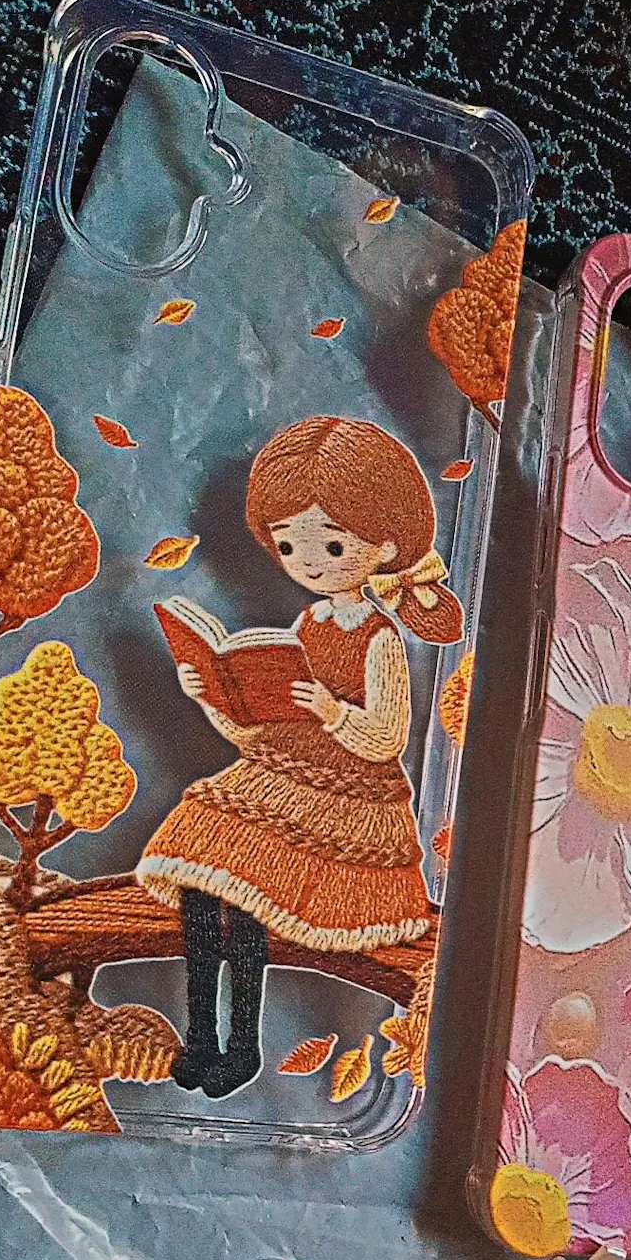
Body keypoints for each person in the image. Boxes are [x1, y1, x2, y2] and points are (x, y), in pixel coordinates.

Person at [137, 415, 464, 1097]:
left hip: (348, 798)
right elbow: (264, 737)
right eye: (289, 545)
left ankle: (243, 1045)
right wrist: (215, 697)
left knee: (247, 900)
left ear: (384, 544)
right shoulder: (307, 622)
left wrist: (331, 710)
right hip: (282, 775)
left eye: (332, 544)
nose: (309, 563)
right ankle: (201, 1035)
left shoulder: (380, 638)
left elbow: (388, 738)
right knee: (201, 884)